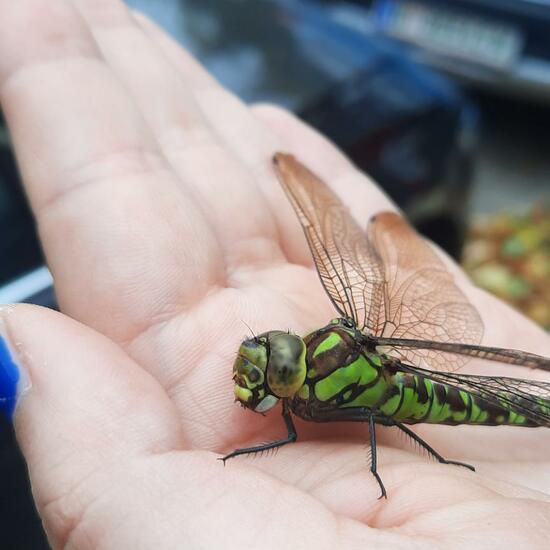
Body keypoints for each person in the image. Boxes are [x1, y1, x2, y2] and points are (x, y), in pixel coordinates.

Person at [0, 1, 548, 548]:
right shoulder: (308, 377)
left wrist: (390, 471)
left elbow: (377, 421)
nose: (268, 362)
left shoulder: (325, 385)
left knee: (392, 410)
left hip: (443, 391)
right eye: (271, 359)